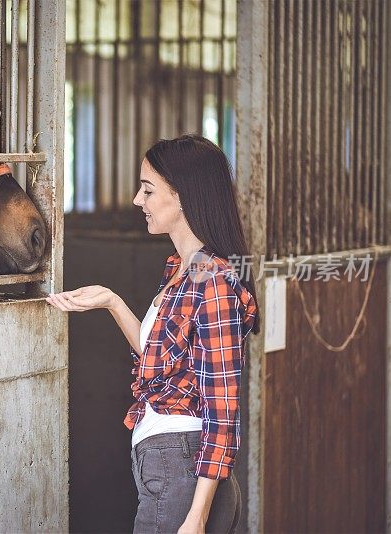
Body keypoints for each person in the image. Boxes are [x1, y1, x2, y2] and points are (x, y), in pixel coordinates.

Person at [46, 135, 260, 534]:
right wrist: (112, 302)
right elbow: (160, 361)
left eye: (148, 190)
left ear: (184, 196)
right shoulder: (181, 268)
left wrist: (195, 517)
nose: (136, 200)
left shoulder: (212, 280)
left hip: (184, 469)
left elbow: (223, 407)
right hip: (168, 462)